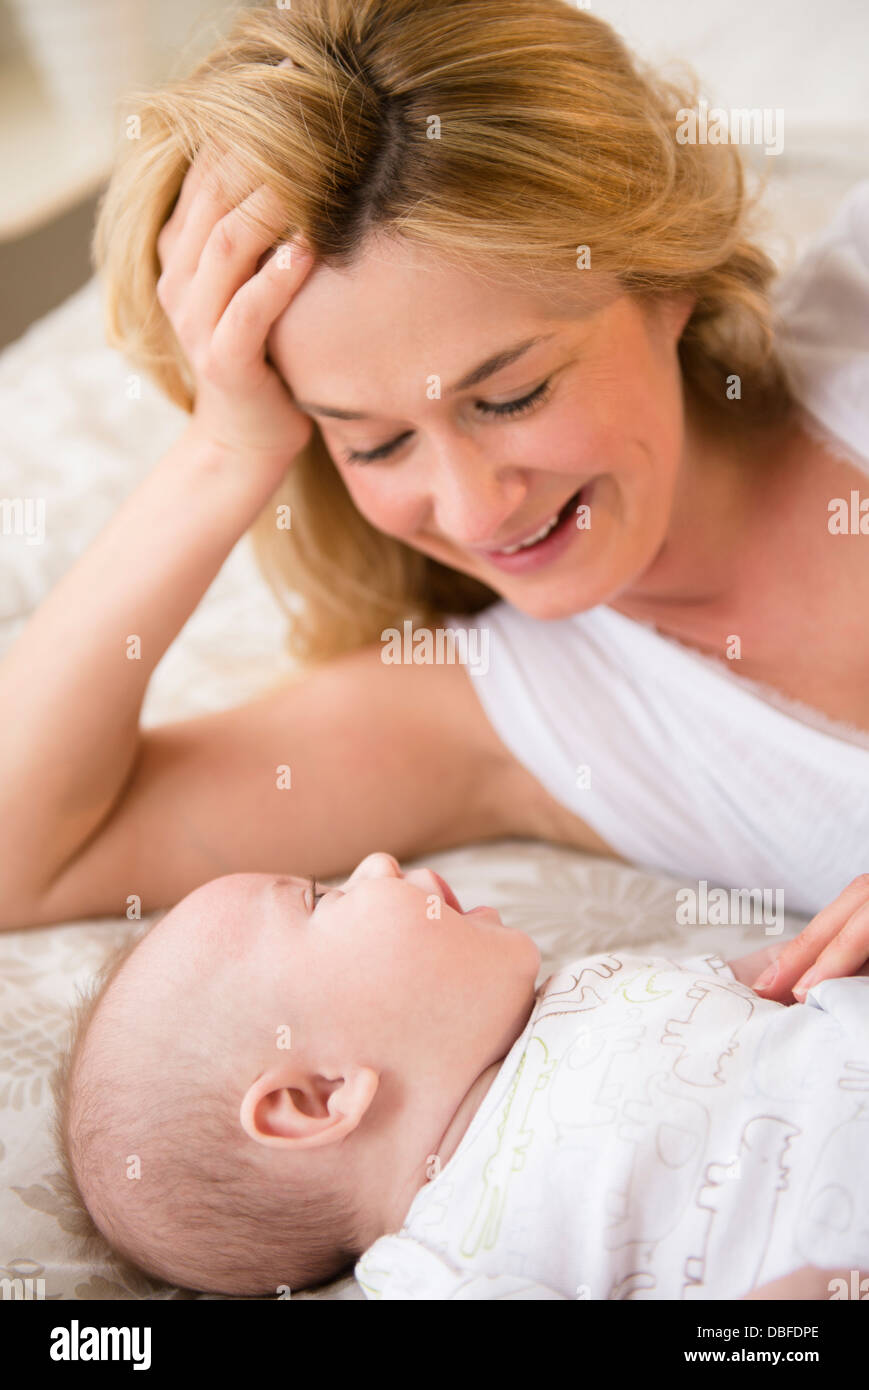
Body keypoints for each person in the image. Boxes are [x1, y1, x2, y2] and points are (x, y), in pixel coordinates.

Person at [0, 0, 866, 998]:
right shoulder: (511, 715)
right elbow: (23, 854)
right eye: (374, 443)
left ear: (662, 268)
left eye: (511, 393)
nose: (471, 509)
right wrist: (221, 450)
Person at [54, 856, 869, 1300]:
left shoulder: (579, 989)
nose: (377, 861)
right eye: (324, 898)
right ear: (319, 1098)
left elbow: (778, 984)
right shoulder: (439, 1267)